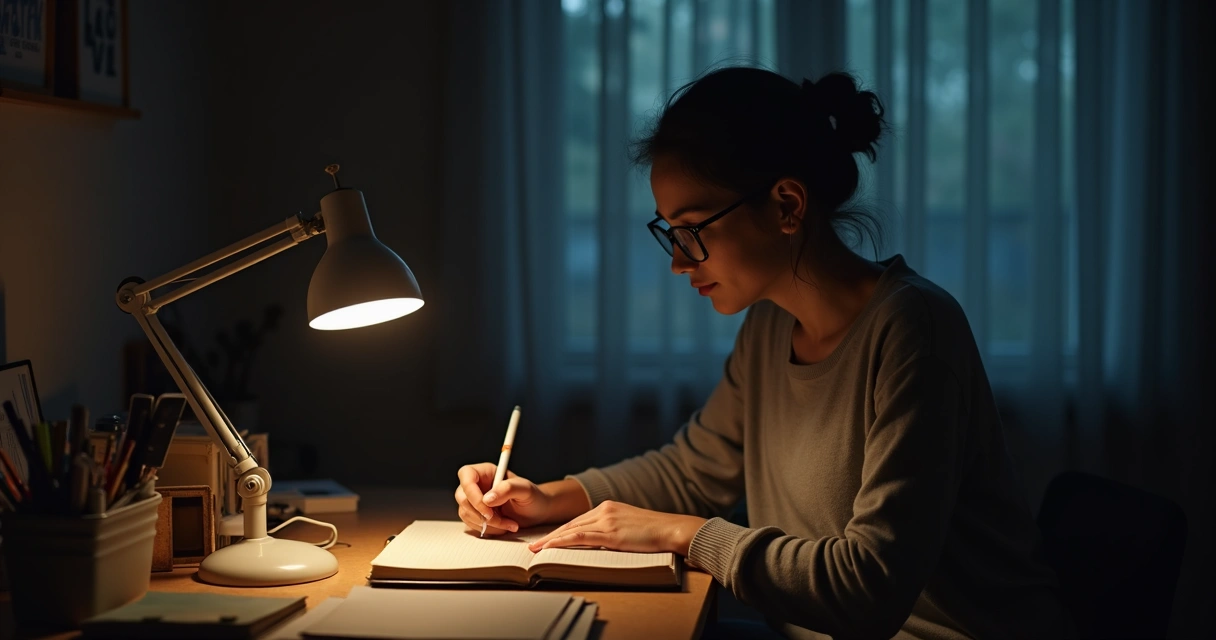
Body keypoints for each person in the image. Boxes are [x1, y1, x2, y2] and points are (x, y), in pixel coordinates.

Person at [454, 67, 1072, 639]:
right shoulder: (770, 327)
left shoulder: (914, 328)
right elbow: (694, 470)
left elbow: (871, 588)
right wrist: (548, 498)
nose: (677, 260)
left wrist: (684, 535)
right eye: (669, 232)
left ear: (786, 206)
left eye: (692, 229)